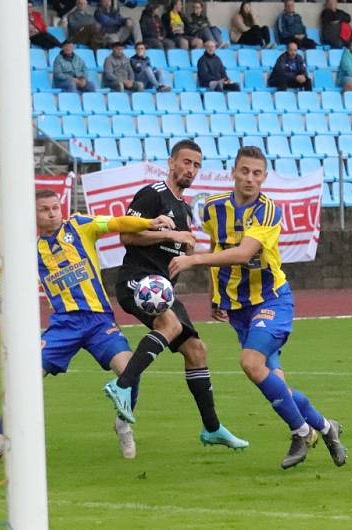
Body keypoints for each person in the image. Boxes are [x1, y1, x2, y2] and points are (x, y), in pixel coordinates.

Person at [0, 189, 177, 464]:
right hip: (64, 326)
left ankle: (122, 424)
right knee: (24, 378)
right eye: (44, 209)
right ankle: (0, 440)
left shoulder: (80, 226)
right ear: (33, 215)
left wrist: (149, 223)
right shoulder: (31, 250)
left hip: (98, 321)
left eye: (55, 207)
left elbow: (118, 223)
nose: (52, 213)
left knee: (130, 367)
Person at [165, 147, 348, 470]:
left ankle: (301, 432)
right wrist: (215, 296)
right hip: (238, 309)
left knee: (250, 362)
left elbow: (242, 253)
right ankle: (325, 427)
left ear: (264, 177)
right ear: (233, 172)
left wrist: (192, 260)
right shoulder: (211, 208)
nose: (250, 178)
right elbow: (218, 248)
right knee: (276, 382)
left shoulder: (267, 211)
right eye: (245, 171)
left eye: (257, 173)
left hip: (272, 301)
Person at [104, 140, 248, 451]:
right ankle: (122, 384)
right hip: (137, 281)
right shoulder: (153, 194)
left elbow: (176, 253)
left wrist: (186, 246)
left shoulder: (183, 208)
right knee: (168, 326)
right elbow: (126, 235)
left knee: (197, 349)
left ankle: (212, 428)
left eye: (196, 165)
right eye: (186, 162)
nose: (191, 169)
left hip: (164, 290)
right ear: (172, 163)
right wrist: (170, 234)